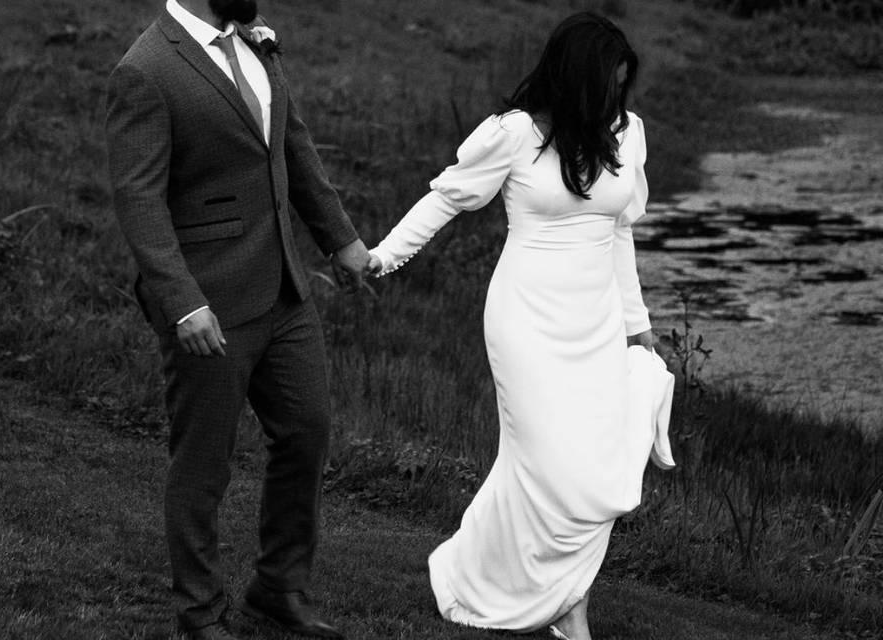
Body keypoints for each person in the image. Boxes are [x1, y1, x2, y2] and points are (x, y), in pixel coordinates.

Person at [368, 12, 670, 640]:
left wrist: (637, 328)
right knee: (543, 463)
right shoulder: (514, 134)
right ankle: (567, 607)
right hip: (526, 320)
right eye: (607, 87)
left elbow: (618, 237)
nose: (616, 100)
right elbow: (445, 197)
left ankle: (492, 575)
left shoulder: (627, 133)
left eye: (622, 88)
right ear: (576, 79)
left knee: (591, 468)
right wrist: (380, 259)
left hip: (596, 323)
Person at [105, 1, 369, 638]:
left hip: (285, 290)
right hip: (209, 303)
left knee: (307, 433)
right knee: (203, 463)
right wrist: (183, 303)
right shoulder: (145, 70)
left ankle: (278, 589)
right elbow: (138, 198)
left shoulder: (255, 44)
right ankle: (200, 614)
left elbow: (293, 148)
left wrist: (342, 241)